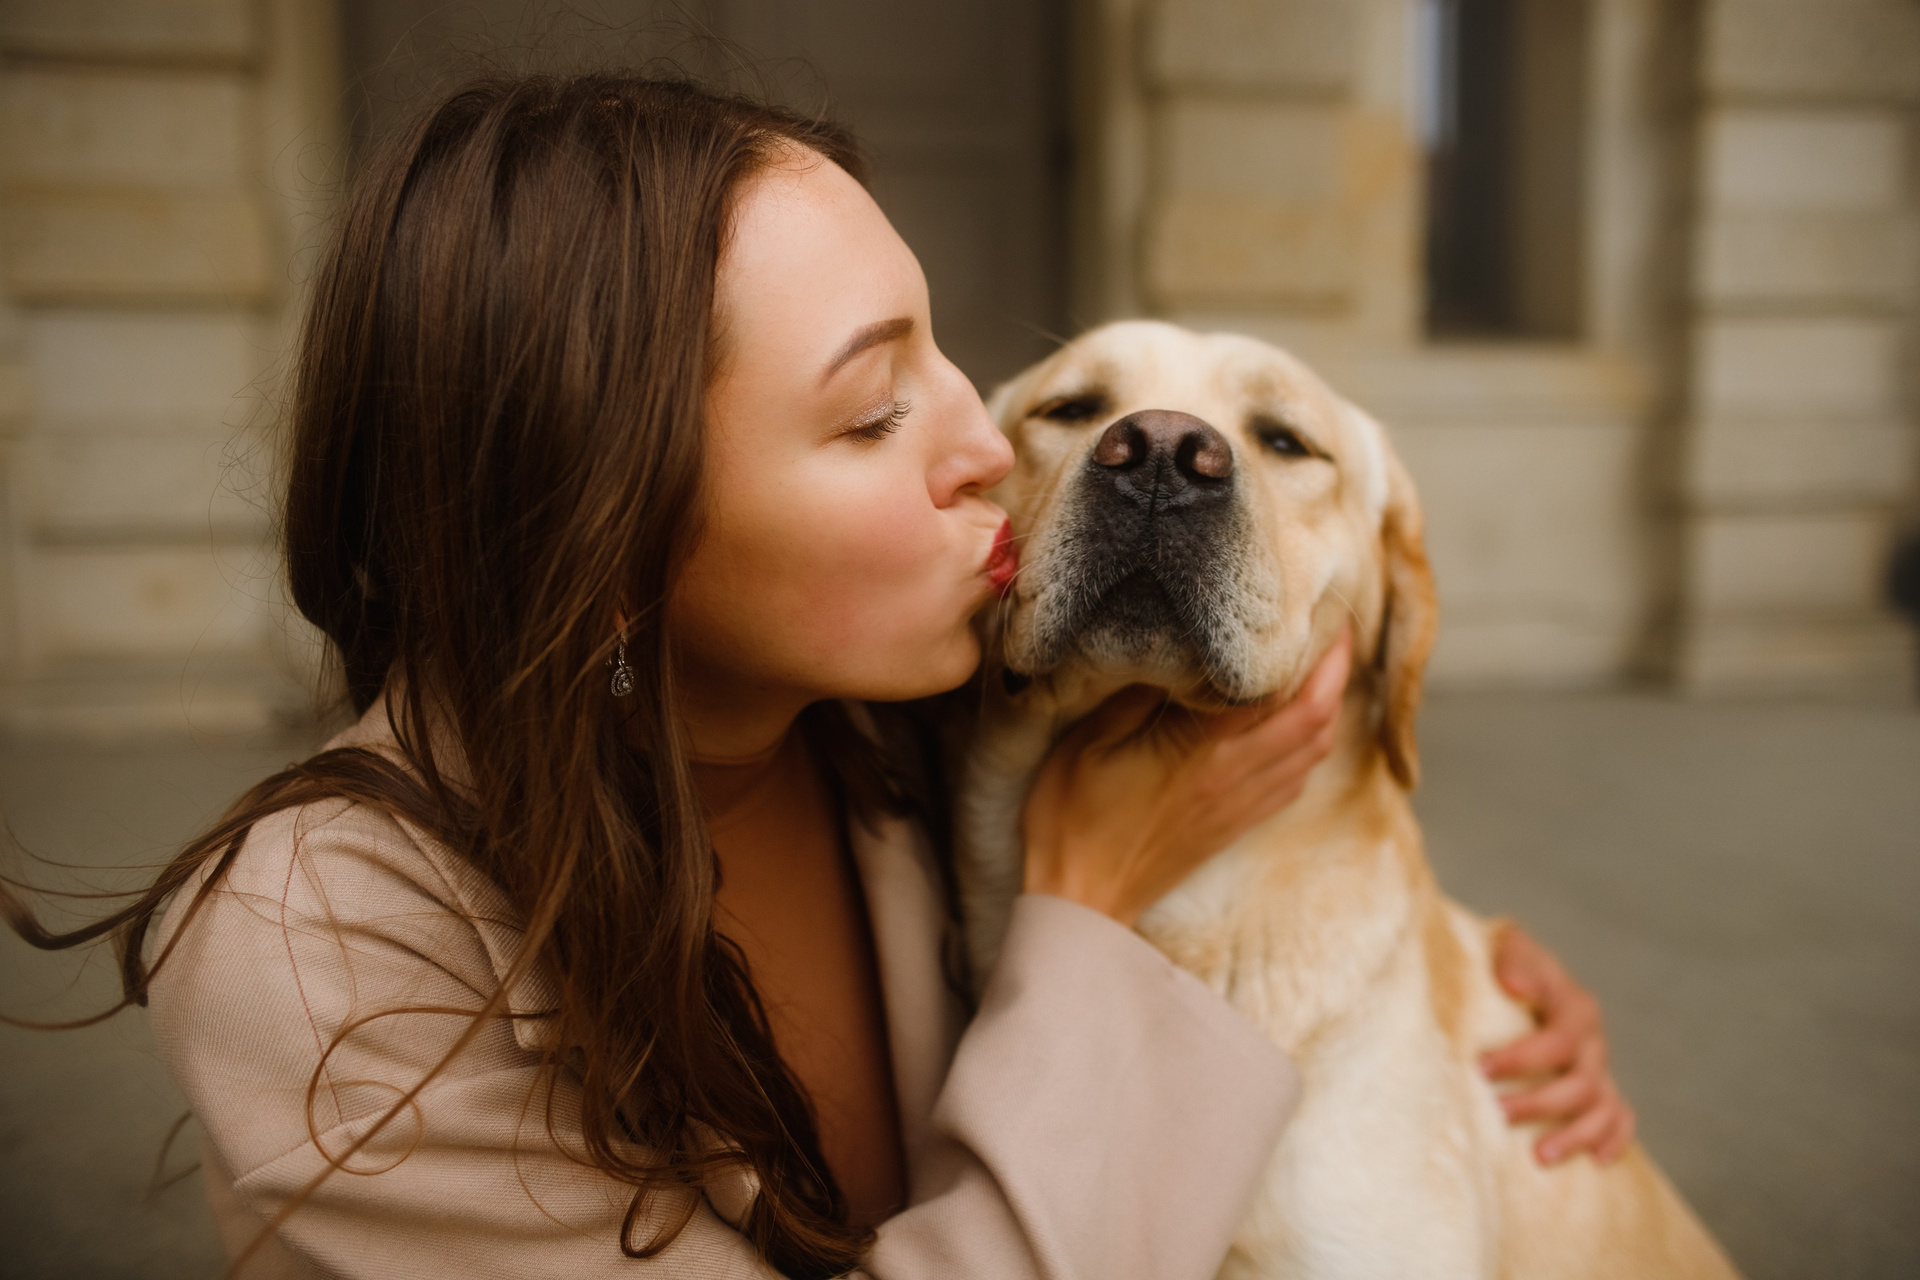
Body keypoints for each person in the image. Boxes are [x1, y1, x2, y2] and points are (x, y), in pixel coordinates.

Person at [1, 74, 1633, 1279]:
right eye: (872, 414)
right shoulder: (327, 958)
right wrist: (1080, 913)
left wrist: (1463, 987)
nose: (996, 445)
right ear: (605, 539)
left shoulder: (914, 712)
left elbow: (1286, 868)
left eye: (944, 352)